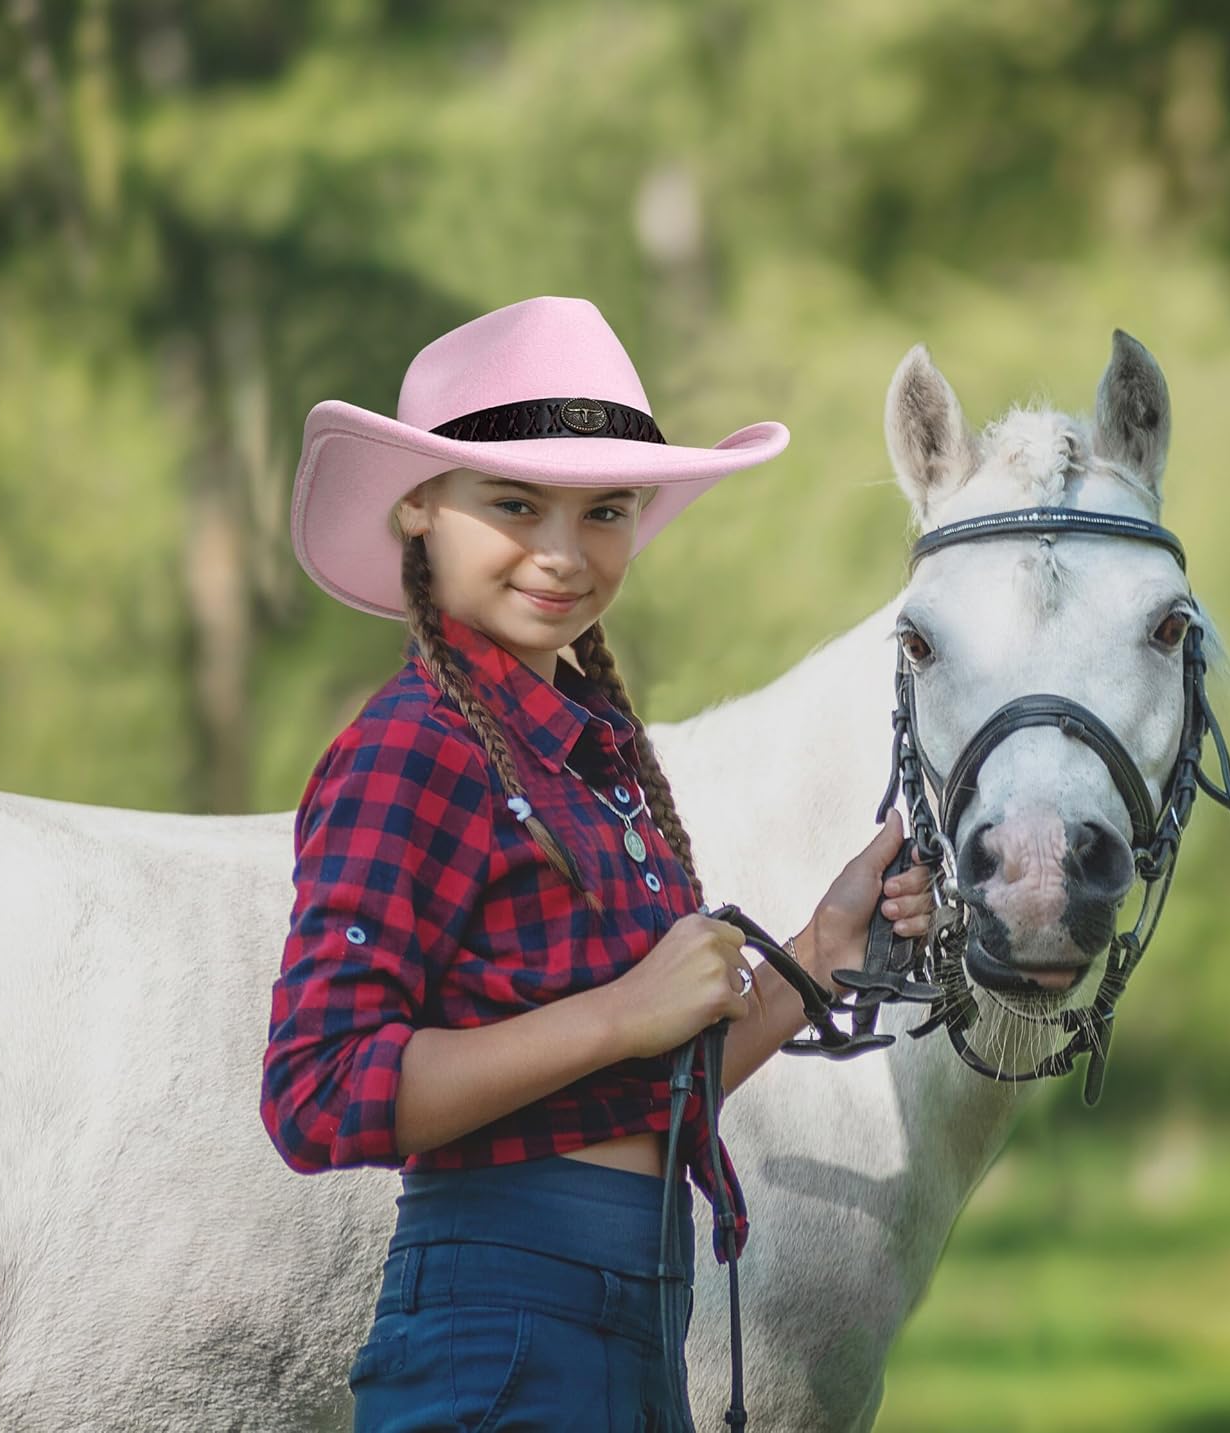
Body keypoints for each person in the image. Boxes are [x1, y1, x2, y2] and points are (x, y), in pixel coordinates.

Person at [259, 296, 933, 1431]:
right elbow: (316, 1092)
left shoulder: (584, 755)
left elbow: (655, 1088)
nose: (565, 553)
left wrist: (823, 946)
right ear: (419, 505)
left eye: (606, 509)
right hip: (502, 1321)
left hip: (637, 1313)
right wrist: (621, 1011)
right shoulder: (411, 749)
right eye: (516, 503)